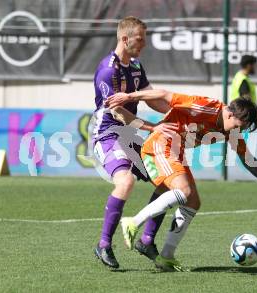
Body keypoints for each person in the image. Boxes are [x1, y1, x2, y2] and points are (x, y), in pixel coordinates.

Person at [106, 89, 257, 271]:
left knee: (193, 202)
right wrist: (129, 96)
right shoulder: (206, 106)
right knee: (184, 191)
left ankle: (166, 256)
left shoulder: (230, 131)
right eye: (239, 126)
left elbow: (247, 158)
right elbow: (164, 95)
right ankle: (132, 222)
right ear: (229, 114)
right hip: (159, 144)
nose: (239, 131)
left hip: (175, 151)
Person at [92, 16, 178, 269]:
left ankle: (147, 240)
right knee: (126, 181)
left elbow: (152, 98)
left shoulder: (136, 66)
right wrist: (154, 126)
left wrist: (177, 113)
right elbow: (119, 113)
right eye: (140, 40)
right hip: (107, 134)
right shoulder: (108, 70)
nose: (144, 44)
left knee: (167, 180)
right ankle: (104, 244)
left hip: (129, 136)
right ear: (124, 38)